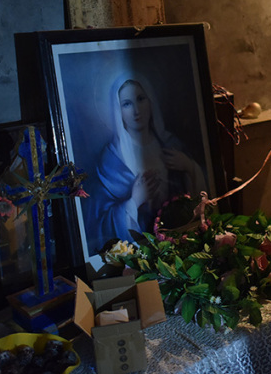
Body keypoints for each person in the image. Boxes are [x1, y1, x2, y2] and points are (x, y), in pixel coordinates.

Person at [81, 73, 207, 255]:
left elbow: (201, 200)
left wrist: (190, 167)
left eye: (141, 99)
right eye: (127, 104)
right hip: (140, 255)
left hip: (180, 247)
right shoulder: (110, 159)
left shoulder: (171, 145)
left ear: (151, 101)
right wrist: (133, 202)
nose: (136, 110)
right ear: (118, 111)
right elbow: (97, 224)